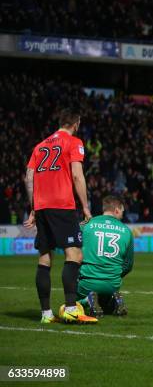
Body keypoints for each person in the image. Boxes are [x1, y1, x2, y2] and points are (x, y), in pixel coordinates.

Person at [23, 109, 97, 324]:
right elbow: (77, 175)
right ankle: (72, 308)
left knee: (45, 258)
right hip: (62, 205)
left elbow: (29, 178)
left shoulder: (39, 146)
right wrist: (85, 206)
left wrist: (34, 208)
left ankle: (46, 314)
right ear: (76, 123)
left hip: (43, 206)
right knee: (74, 255)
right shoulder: (73, 141)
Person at [77, 195, 134, 317]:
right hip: (112, 284)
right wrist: (112, 274)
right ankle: (114, 301)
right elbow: (128, 265)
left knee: (72, 302)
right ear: (117, 210)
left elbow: (73, 253)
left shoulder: (86, 225)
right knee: (105, 300)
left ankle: (87, 300)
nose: (122, 215)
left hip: (87, 282)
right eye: (122, 212)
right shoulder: (126, 231)